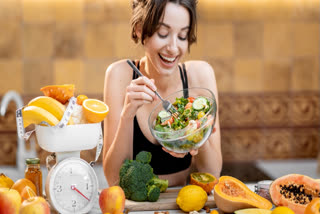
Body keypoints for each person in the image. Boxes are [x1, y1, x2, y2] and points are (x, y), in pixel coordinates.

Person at [103, 0, 222, 187]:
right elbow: (113, 180)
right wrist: (127, 115)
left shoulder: (200, 75)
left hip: (182, 203)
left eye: (182, 36)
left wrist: (199, 135)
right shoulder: (120, 75)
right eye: (163, 33)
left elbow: (212, 174)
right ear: (140, 29)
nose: (174, 48)